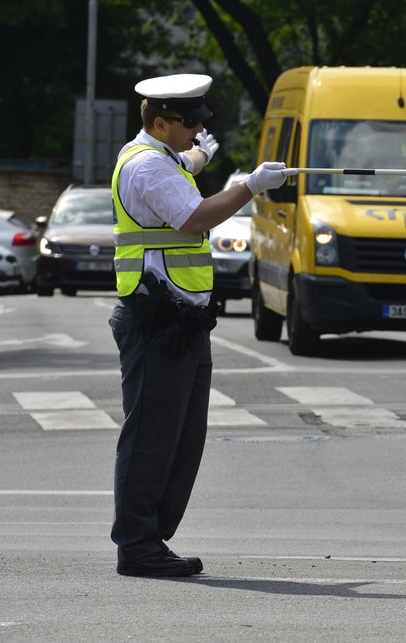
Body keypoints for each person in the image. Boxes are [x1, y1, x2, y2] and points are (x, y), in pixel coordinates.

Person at [109, 73, 287, 578]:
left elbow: (182, 166)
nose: (197, 131)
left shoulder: (162, 158)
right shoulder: (148, 167)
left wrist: (200, 158)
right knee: (152, 435)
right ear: (160, 122)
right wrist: (248, 186)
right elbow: (193, 218)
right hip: (156, 316)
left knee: (184, 434)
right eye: (190, 124)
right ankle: (138, 545)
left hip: (181, 318)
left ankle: (151, 538)